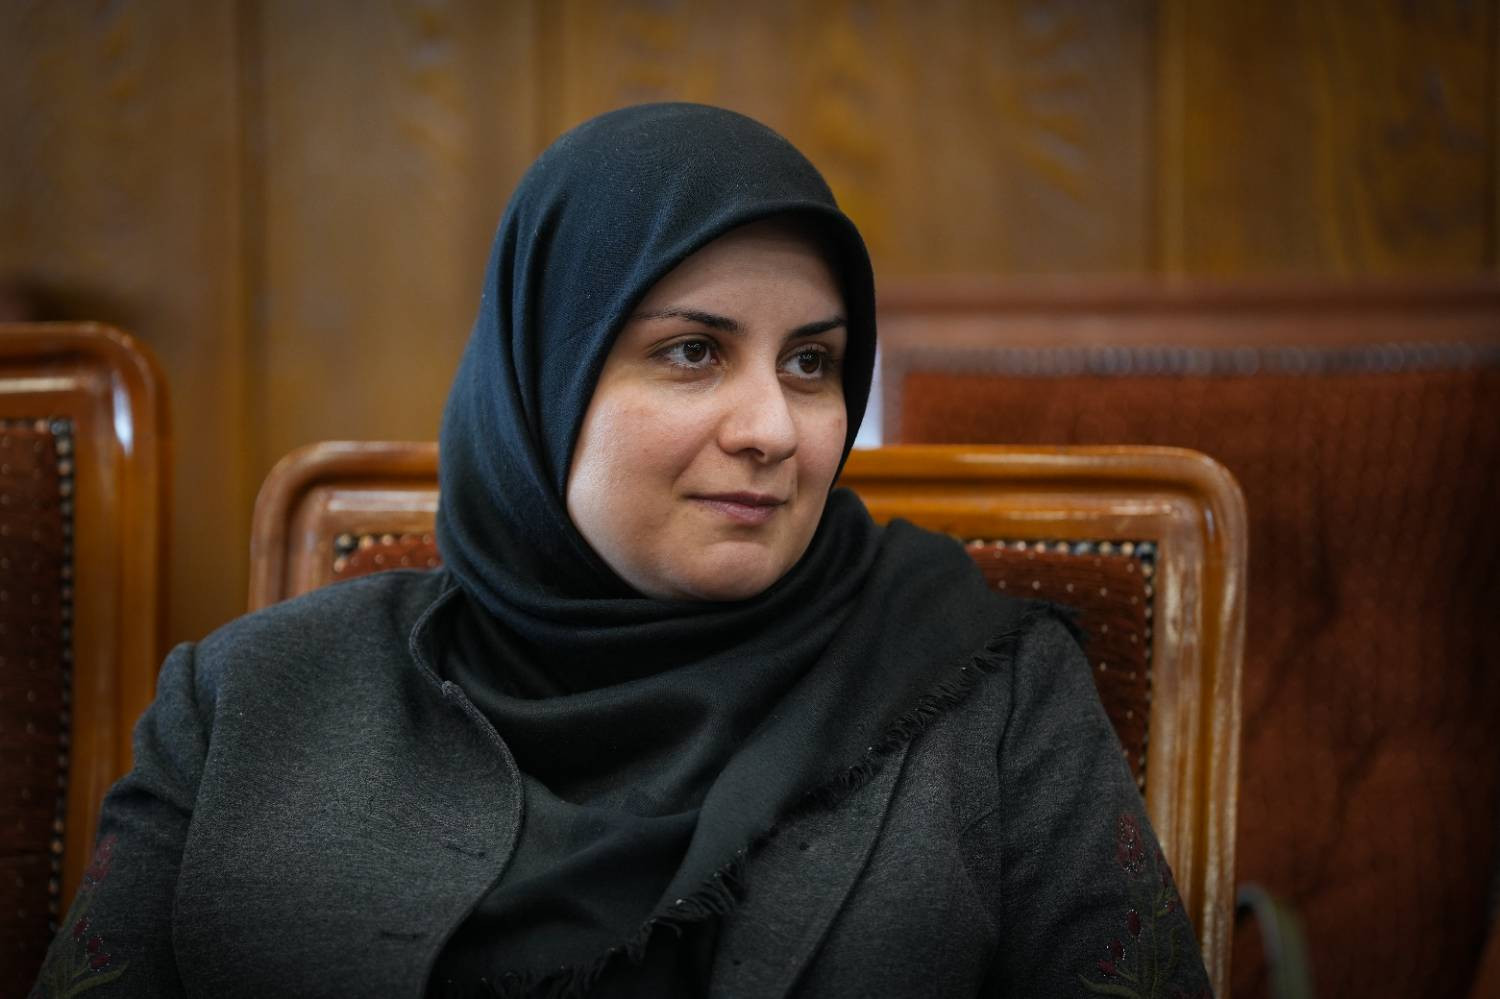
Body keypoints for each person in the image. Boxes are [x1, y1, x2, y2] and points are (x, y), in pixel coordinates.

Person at [33, 104, 1213, 998]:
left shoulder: (991, 693)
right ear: (540, 383)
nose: (773, 429)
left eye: (811, 363)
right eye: (693, 352)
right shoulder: (244, 701)